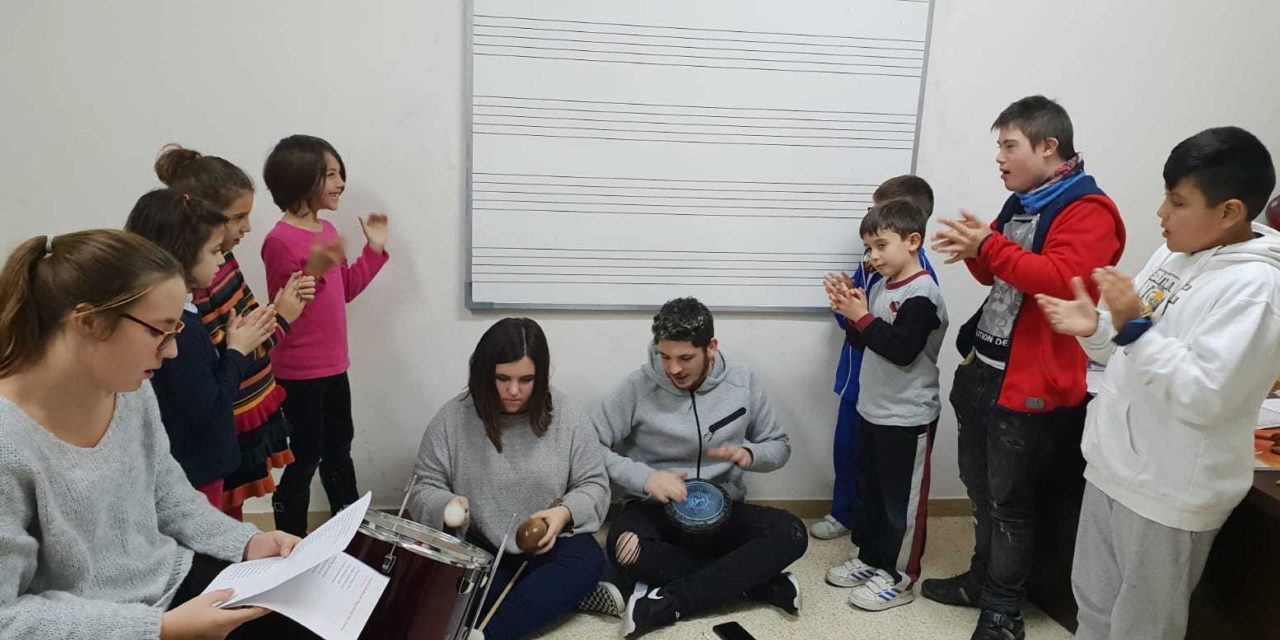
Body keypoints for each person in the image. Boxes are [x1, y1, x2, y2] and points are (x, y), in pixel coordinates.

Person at [0, 229, 305, 639]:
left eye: (176, 330)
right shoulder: (10, 442)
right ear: (88, 322)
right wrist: (159, 629)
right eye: (159, 331)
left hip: (170, 585)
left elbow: (167, 494)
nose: (173, 351)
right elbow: (7, 617)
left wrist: (248, 544)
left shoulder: (130, 391)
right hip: (95, 624)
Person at [1036, 126, 1278, 640]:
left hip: (1170, 490)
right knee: (1094, 603)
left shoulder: (1256, 290)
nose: (1161, 214)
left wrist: (1131, 327)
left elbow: (1203, 395)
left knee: (1142, 627)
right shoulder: (1173, 254)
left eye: (1177, 201)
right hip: (1113, 466)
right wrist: (1096, 328)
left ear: (1230, 211)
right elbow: (1128, 347)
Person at [926, 95, 1126, 640]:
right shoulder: (1024, 200)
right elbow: (999, 277)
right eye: (1000, 147)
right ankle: (980, 579)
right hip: (984, 367)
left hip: (1030, 382)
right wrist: (974, 249)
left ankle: (1003, 612)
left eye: (1009, 145)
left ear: (1048, 146)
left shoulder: (1088, 209)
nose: (1000, 158)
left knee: (1011, 503)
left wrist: (988, 244)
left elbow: (1064, 279)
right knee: (979, 487)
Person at [594, 297, 806, 639]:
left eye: (684, 358)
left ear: (711, 347)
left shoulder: (744, 382)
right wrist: (647, 478)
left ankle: (668, 602)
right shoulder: (637, 387)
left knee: (792, 533)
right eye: (664, 357)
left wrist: (750, 455)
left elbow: (779, 446)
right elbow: (591, 448)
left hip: (723, 510)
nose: (673, 369)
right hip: (656, 511)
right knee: (625, 548)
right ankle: (756, 586)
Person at [408, 318, 610, 640]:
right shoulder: (453, 418)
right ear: (485, 373)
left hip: (548, 541)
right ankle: (561, 599)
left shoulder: (568, 414)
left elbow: (594, 484)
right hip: (482, 547)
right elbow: (423, 485)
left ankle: (491, 634)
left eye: (526, 379)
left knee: (586, 560)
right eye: (502, 378)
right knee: (445, 590)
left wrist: (563, 514)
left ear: (541, 375)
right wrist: (446, 504)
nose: (513, 391)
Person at [154, 144, 314, 519]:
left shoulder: (219, 259)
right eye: (238, 217)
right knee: (217, 516)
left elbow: (246, 331)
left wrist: (280, 309)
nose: (247, 228)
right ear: (204, 219)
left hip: (238, 412)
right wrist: (285, 316)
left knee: (229, 513)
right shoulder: (196, 280)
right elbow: (232, 353)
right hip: (223, 418)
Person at [260, 134, 390, 535]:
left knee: (339, 452)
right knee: (304, 458)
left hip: (335, 367)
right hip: (298, 374)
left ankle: (349, 537)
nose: (341, 183)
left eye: (340, 174)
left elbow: (345, 289)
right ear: (302, 179)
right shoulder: (278, 240)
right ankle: (289, 546)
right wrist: (312, 271)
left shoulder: (328, 228)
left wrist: (374, 251)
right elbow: (287, 309)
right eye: (331, 175)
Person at [825, 199, 948, 611]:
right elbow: (865, 342)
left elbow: (902, 350)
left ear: (913, 241)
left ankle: (899, 577)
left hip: (907, 417)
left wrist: (862, 318)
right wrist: (849, 311)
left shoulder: (923, 293)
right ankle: (870, 559)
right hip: (873, 411)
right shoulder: (880, 286)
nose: (872, 256)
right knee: (873, 496)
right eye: (868, 248)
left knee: (901, 505)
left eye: (881, 245)